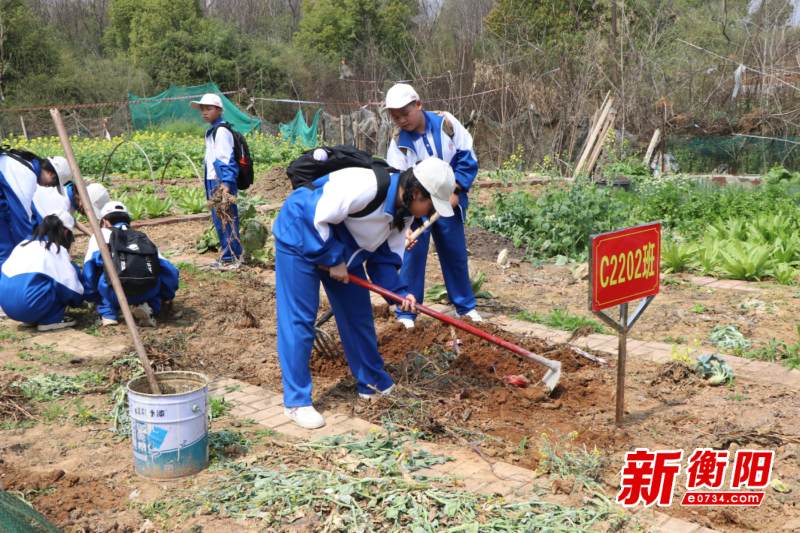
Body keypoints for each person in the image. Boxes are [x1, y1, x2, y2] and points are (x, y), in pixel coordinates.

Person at [272, 157, 456, 429]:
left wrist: (399, 295)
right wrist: (332, 259)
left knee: (358, 317)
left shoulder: (404, 213)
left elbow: (383, 260)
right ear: (417, 193)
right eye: (430, 205)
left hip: (341, 246)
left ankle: (371, 382)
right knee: (300, 320)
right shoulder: (365, 186)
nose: (429, 213)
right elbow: (314, 215)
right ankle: (297, 401)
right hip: (301, 233)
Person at [384, 83, 481, 329]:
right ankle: (407, 312)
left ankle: (465, 306)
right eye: (395, 117)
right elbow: (398, 178)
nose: (402, 120)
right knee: (412, 254)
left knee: (454, 252)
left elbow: (467, 156)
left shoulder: (446, 124)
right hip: (416, 205)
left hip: (447, 202)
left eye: (405, 114)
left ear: (418, 105)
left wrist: (456, 190)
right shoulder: (398, 142)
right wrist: (404, 219)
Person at [83, 201, 179, 327]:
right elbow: (169, 270)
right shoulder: (141, 237)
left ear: (105, 221)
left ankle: (108, 314)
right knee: (154, 279)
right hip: (147, 290)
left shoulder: (100, 235)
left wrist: (91, 296)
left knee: (104, 274)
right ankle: (150, 308)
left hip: (115, 292)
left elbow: (89, 272)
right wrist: (166, 295)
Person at [0, 211, 85, 331]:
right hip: (29, 306)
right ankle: (51, 320)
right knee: (60, 286)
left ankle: (31, 318)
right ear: (66, 232)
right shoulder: (55, 250)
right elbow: (71, 288)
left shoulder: (22, 245)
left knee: (40, 282)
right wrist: (79, 301)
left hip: (8, 308)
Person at [191, 93, 242, 269]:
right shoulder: (212, 130)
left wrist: (226, 184)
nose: (204, 112)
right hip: (212, 180)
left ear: (219, 110)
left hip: (220, 182)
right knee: (220, 220)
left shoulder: (221, 131)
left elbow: (226, 159)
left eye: (209, 108)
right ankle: (228, 256)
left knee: (227, 219)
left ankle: (232, 257)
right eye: (202, 109)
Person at [0, 150, 65, 272]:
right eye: (53, 183)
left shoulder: (25, 163)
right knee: (6, 253)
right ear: (50, 173)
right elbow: (21, 217)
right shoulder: (27, 175)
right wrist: (29, 247)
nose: (50, 186)